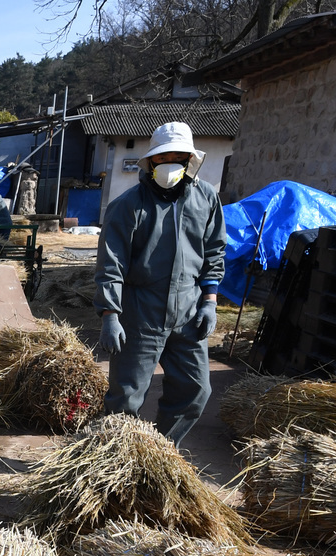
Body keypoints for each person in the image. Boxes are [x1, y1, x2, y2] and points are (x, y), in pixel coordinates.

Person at [94, 121, 226, 447]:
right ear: (151, 161)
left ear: (190, 161)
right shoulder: (127, 206)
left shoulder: (206, 198)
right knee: (126, 395)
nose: (170, 165)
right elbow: (111, 263)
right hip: (141, 309)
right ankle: (116, 457)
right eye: (163, 158)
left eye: (178, 158)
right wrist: (110, 314)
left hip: (189, 308)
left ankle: (161, 452)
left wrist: (209, 301)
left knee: (195, 389)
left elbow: (214, 250)